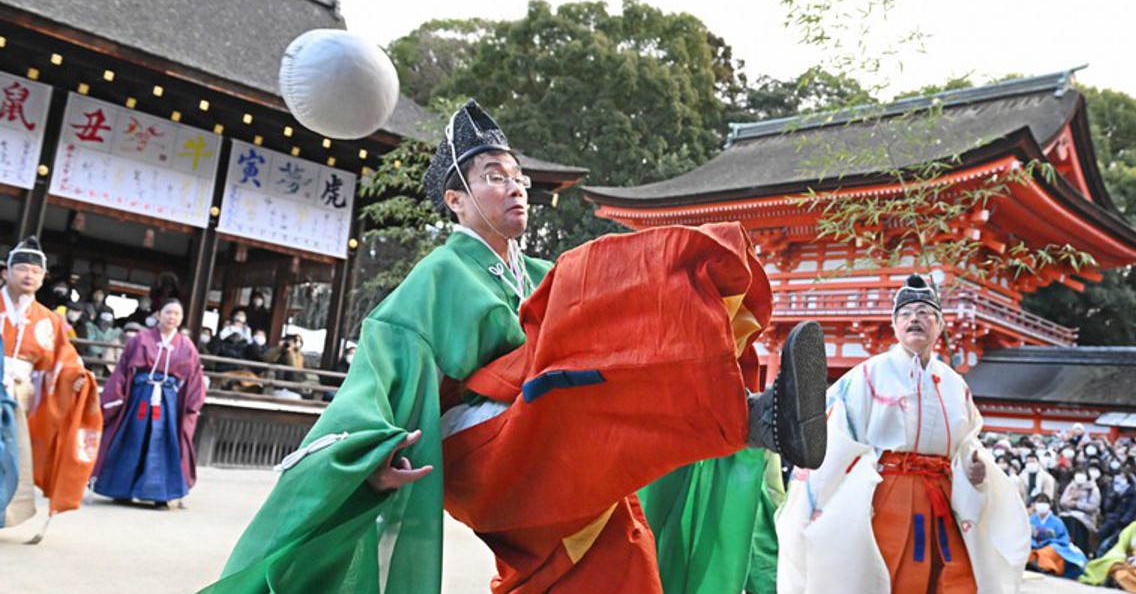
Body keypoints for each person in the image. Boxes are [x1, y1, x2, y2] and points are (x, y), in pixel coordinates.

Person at [204, 100, 828, 593]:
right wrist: (371, 457)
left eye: (519, 175)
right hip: (487, 449)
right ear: (456, 200)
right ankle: (746, 415)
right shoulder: (441, 274)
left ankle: (739, 407)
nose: (515, 186)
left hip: (553, 439)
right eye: (493, 176)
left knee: (619, 559)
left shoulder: (534, 272)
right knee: (587, 304)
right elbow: (379, 367)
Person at [776, 274, 1029, 593]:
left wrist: (974, 471)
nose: (915, 319)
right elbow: (836, 435)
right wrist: (816, 499)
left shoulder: (955, 385)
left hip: (942, 495)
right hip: (886, 493)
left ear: (939, 326)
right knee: (886, 573)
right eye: (906, 314)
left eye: (925, 313)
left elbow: (967, 444)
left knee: (953, 576)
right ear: (894, 325)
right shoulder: (867, 375)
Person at [0, 237, 100, 530]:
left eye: (35, 271)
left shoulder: (48, 319)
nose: (29, 275)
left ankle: (4, 511)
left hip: (22, 392)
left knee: (12, 454)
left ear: (43, 278)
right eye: (22, 269)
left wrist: (75, 378)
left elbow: (63, 360)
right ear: (6, 272)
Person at [91, 299, 206, 507]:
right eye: (168, 312)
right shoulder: (141, 339)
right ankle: (122, 489)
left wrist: (192, 404)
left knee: (164, 441)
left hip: (168, 401)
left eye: (176, 314)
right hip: (140, 397)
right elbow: (123, 369)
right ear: (158, 314)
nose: (172, 317)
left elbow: (195, 377)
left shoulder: (187, 346)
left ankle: (160, 494)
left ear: (180, 319)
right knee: (134, 437)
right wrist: (116, 395)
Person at [1027, 494, 1087, 578]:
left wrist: (1048, 541)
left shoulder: (1057, 522)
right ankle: (1034, 562)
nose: (1041, 505)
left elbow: (1064, 540)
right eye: (1039, 502)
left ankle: (1042, 565)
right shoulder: (1030, 520)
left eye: (1044, 502)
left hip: (1052, 546)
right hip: (1034, 545)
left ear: (1050, 505)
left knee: (1049, 550)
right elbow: (1025, 536)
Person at [1099, 465, 1136, 553]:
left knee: (1106, 545)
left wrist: (1120, 522)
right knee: (1101, 535)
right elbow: (1107, 508)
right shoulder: (1114, 490)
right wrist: (1113, 497)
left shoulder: (1135, 494)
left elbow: (1132, 515)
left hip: (1125, 525)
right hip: (1112, 521)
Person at [1059, 466, 1103, 556]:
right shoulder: (1071, 486)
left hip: (1086, 517)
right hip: (1069, 512)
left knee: (1076, 521)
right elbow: (1062, 501)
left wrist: (1077, 504)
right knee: (1063, 518)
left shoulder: (1092, 489)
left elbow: (1093, 507)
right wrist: (1070, 500)